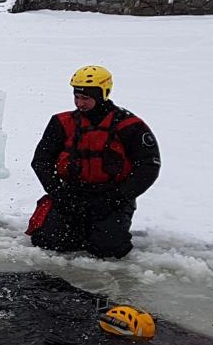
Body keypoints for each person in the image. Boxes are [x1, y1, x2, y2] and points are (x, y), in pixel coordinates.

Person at [28, 65, 160, 259]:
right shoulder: (61, 122)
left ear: (103, 95)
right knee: (48, 241)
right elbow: (41, 161)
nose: (80, 103)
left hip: (111, 196)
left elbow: (149, 166)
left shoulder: (129, 125)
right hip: (71, 194)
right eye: (77, 97)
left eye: (86, 98)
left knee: (109, 250)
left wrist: (117, 197)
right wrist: (58, 193)